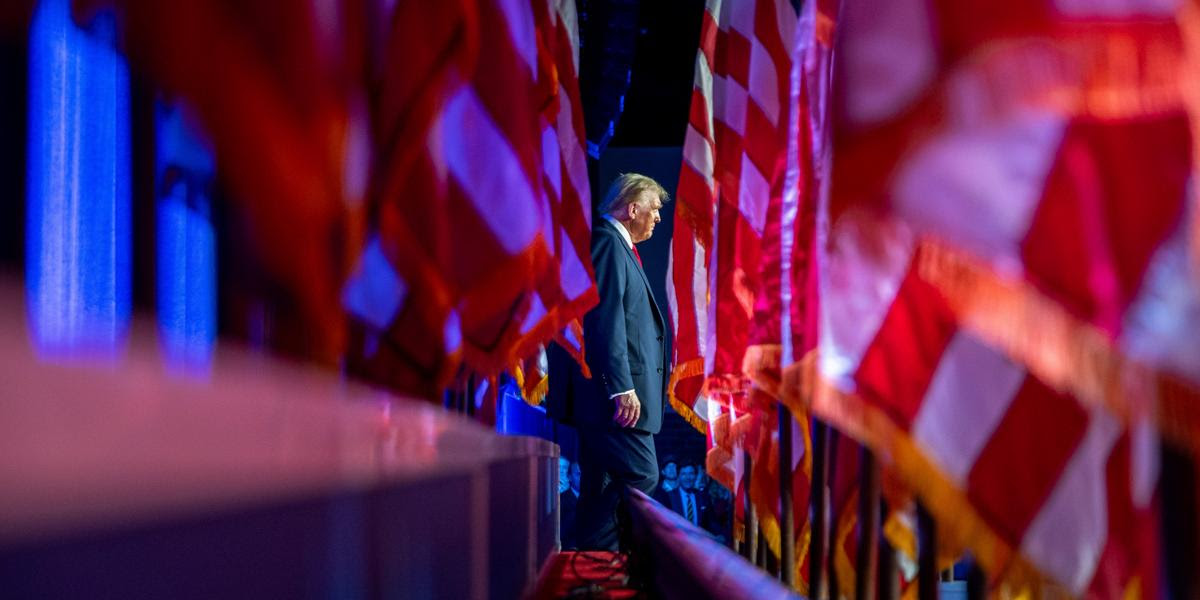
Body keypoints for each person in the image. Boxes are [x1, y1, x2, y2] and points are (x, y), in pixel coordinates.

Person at [572, 173, 670, 551]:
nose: (658, 217)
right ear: (633, 208)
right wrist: (622, 387)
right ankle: (594, 552)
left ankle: (592, 565)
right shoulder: (609, 244)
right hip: (616, 400)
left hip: (612, 400)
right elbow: (605, 319)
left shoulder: (619, 247)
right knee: (642, 474)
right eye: (655, 209)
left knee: (599, 485)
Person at [664, 462, 709, 529]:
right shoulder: (669, 497)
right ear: (678, 477)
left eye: (691, 473)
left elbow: (711, 521)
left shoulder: (702, 496)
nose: (688, 478)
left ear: (696, 476)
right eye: (683, 474)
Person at [558, 457, 578, 548]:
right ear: (569, 476)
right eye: (578, 474)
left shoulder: (594, 500)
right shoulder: (561, 500)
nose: (582, 478)